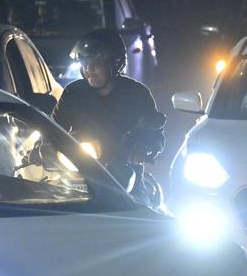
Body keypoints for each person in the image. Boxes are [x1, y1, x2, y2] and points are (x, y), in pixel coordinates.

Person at [52, 28, 165, 171]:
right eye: (85, 63)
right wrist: (44, 147)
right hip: (78, 167)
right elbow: (54, 128)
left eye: (96, 63)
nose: (89, 68)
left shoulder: (137, 94)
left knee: (137, 192)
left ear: (115, 63)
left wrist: (143, 149)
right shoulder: (73, 92)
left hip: (123, 169)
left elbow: (154, 135)